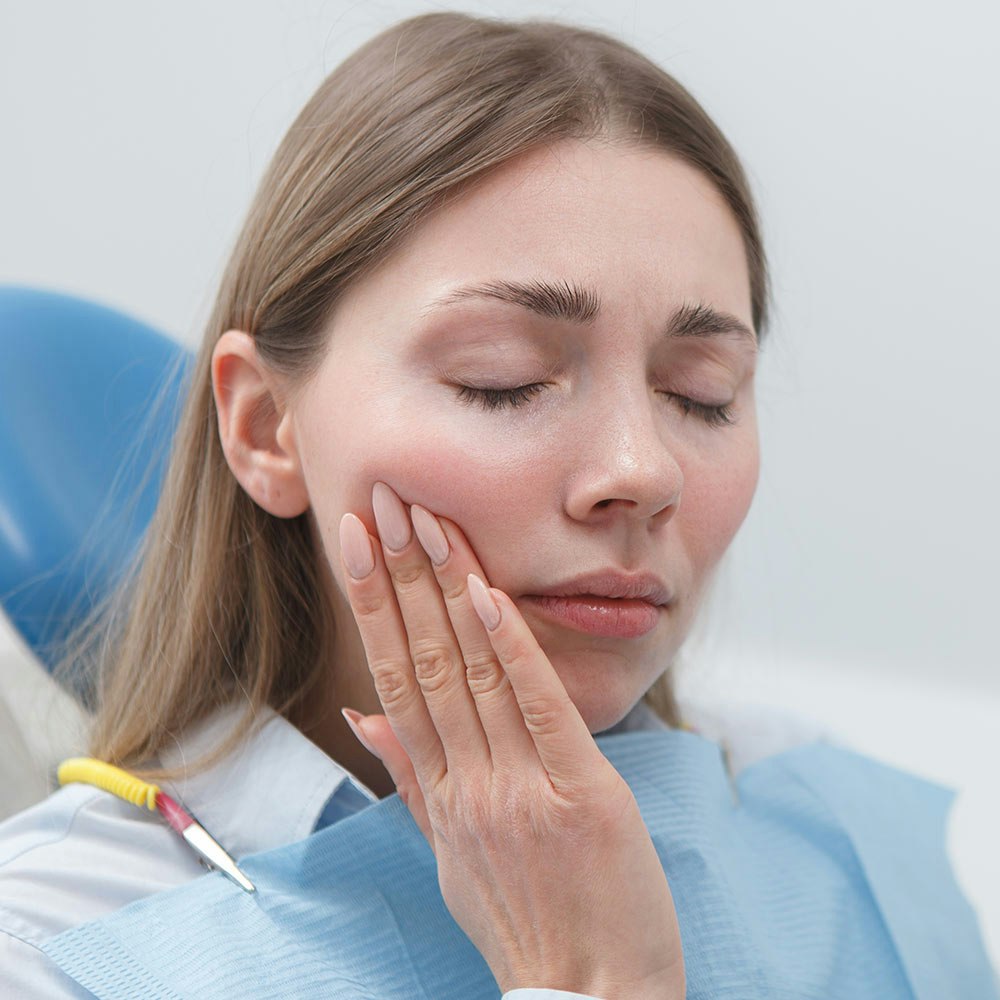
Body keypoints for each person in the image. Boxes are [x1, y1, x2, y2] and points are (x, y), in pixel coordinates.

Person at [2, 11, 988, 999]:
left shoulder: (813, 807)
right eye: (502, 378)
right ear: (265, 427)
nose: (643, 470)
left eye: (701, 393)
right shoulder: (59, 944)